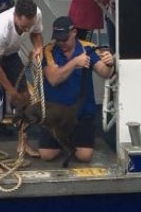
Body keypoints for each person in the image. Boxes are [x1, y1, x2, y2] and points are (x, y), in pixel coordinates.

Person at [0, 0, 44, 170]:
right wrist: (11, 91)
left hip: (11, 52)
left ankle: (22, 143)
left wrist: (38, 48)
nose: (26, 29)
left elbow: (36, 34)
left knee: (26, 96)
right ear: (16, 16)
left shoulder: (36, 15)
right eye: (23, 26)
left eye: (29, 24)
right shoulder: (1, 30)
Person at [39, 16, 114, 162]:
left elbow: (104, 73)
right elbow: (53, 79)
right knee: (47, 155)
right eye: (58, 39)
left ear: (74, 32)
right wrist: (75, 62)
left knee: (84, 156)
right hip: (55, 115)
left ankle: (71, 141)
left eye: (64, 39)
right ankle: (62, 141)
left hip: (81, 114)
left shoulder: (88, 48)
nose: (61, 43)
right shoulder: (48, 51)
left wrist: (109, 63)